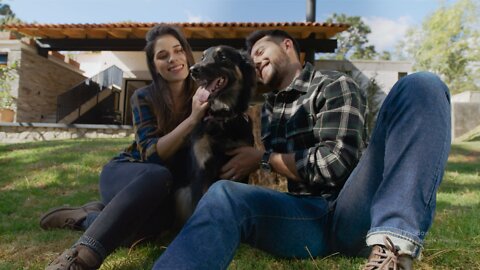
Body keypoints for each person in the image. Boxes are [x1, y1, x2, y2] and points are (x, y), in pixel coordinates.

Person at [152, 29, 451, 270]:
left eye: (260, 52)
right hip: (306, 221)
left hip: (353, 212)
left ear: (287, 46)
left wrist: (264, 158)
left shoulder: (333, 84)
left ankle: (392, 250)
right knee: (223, 193)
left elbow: (335, 164)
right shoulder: (271, 110)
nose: (253, 61)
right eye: (249, 59)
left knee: (421, 85)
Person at [41, 24, 210, 269]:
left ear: (186, 53)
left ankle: (86, 216)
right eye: (163, 56)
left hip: (163, 190)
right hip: (127, 174)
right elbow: (152, 155)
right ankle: (82, 256)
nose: (173, 59)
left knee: (146, 232)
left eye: (178, 50)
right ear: (154, 65)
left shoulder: (203, 94)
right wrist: (192, 119)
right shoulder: (143, 97)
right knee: (158, 173)